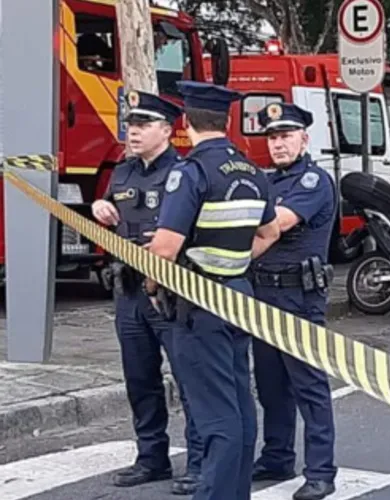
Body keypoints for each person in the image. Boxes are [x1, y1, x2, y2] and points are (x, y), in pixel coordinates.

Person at [144, 81, 281, 500]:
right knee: (239, 406)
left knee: (214, 415)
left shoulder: (191, 172)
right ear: (227, 121)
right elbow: (270, 231)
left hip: (200, 304)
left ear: (186, 122)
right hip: (239, 297)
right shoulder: (252, 171)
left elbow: (164, 249)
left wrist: (152, 286)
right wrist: (234, 262)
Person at [90, 90, 204, 495]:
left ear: (167, 130)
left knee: (189, 380)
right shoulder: (123, 172)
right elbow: (110, 210)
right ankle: (151, 457)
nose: (133, 132)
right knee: (140, 379)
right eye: (131, 125)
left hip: (170, 291)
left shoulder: (185, 172)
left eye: (142, 125)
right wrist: (99, 210)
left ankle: (199, 461)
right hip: (129, 291)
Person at [248, 103, 338, 500]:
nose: (278, 143)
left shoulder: (312, 182)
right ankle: (277, 456)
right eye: (272, 137)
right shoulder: (269, 182)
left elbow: (276, 224)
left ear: (304, 139)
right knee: (270, 385)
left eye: (285, 135)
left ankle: (320, 471)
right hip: (263, 292)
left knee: (308, 387)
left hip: (298, 296)